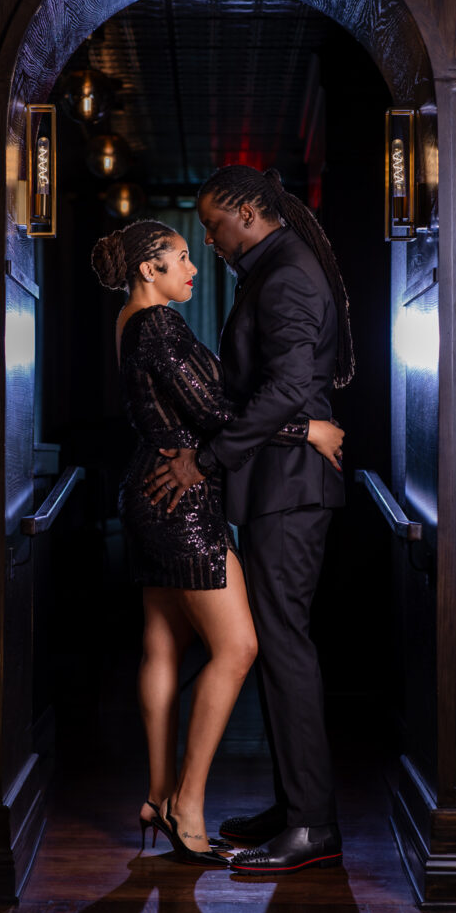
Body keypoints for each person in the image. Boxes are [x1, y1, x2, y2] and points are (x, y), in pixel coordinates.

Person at [90, 218, 345, 870]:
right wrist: (308, 429)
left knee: (163, 644)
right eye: (180, 258)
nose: (193, 269)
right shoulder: (157, 326)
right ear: (149, 269)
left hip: (149, 491)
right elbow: (217, 414)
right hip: (181, 501)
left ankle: (155, 798)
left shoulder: (129, 323)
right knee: (238, 646)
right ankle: (186, 805)